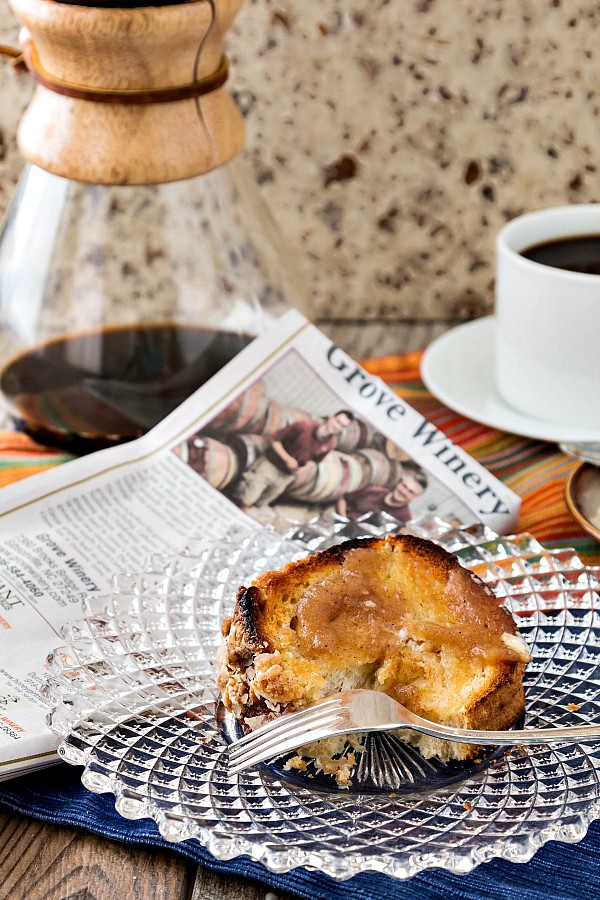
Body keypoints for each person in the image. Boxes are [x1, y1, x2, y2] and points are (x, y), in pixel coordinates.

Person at [230, 410, 354, 509]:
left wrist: (305, 469)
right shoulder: (304, 426)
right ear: (331, 417)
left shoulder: (331, 443)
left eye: (342, 426)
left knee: (261, 504)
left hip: (287, 476)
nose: (337, 426)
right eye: (337, 421)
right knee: (244, 499)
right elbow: (274, 440)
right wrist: (287, 458)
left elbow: (315, 462)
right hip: (271, 465)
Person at [337, 464, 427, 523]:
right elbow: (344, 499)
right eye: (404, 486)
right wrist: (344, 519)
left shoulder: (404, 519)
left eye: (410, 492)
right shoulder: (375, 491)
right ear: (399, 483)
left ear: (416, 497)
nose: (404, 491)